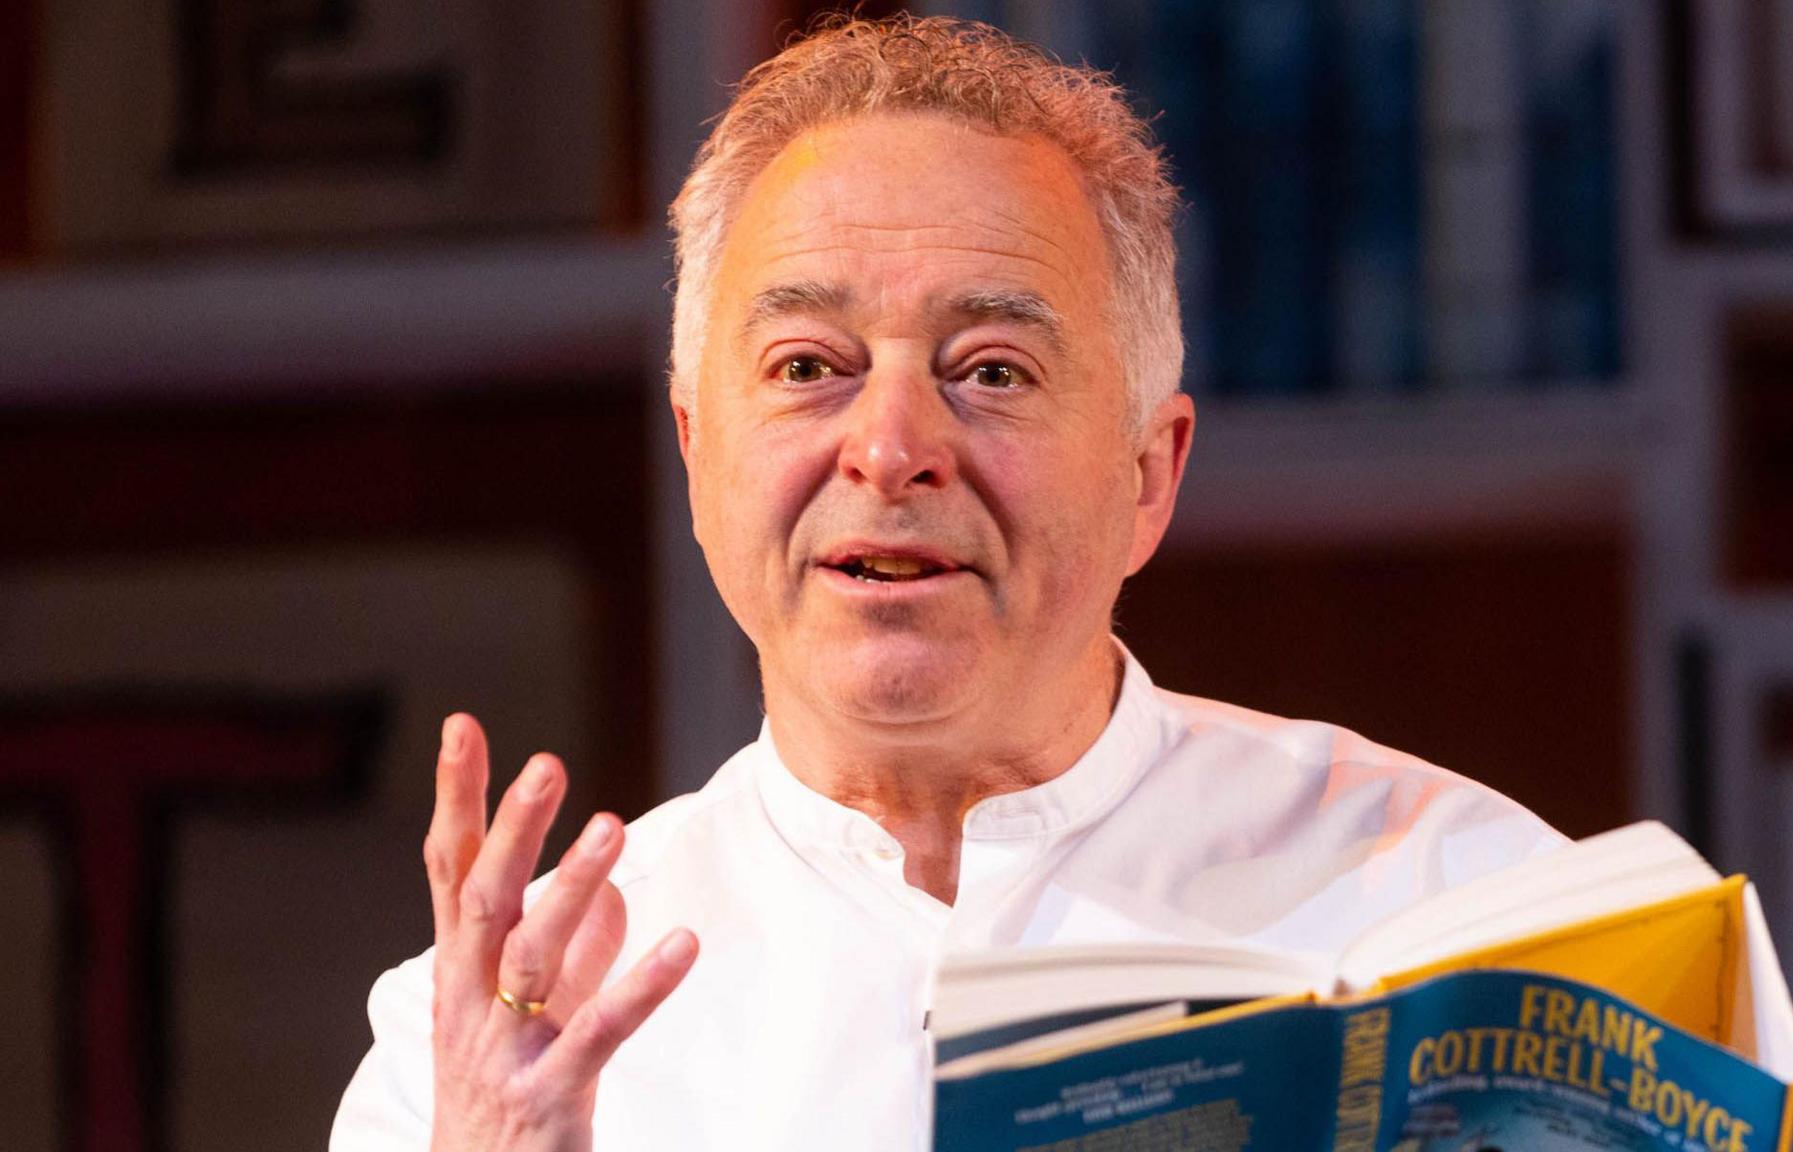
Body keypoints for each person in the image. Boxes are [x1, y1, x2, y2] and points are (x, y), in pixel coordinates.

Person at [332, 15, 1564, 1151]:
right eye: (809, 364)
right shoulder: (476, 1051)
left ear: (1148, 473)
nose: (890, 445)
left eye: (992, 371)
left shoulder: (1461, 909)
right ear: (699, 451)